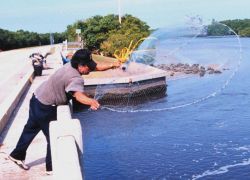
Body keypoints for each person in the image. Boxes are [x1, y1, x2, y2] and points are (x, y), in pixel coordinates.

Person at [8, 48, 120, 174]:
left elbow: (96, 67)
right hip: (46, 106)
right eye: (88, 67)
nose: (90, 69)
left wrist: (112, 65)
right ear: (80, 65)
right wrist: (91, 102)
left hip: (36, 98)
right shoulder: (76, 78)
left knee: (30, 128)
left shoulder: (70, 65)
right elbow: (78, 95)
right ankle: (51, 168)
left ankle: (17, 155)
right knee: (54, 137)